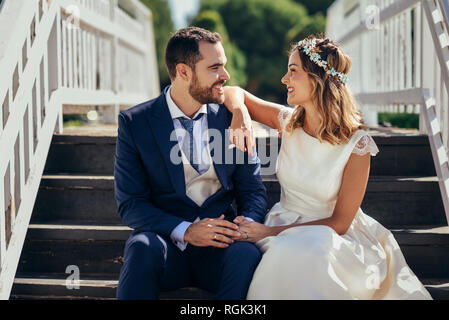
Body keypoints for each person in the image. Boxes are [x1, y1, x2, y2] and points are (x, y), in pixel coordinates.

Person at [224, 36, 432, 300]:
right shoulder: (288, 122)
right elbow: (234, 92)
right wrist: (240, 113)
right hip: (285, 223)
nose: (284, 80)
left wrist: (268, 232)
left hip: (330, 234)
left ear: (317, 78)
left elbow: (341, 222)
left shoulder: (357, 145)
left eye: (293, 71)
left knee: (311, 253)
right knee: (287, 255)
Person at [114, 27, 267, 300]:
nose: (226, 76)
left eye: (224, 66)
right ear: (183, 72)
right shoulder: (135, 123)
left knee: (246, 254)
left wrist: (246, 223)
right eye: (215, 67)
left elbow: (252, 191)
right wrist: (186, 231)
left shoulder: (231, 119)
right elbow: (130, 204)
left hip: (222, 245)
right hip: (167, 247)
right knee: (140, 246)